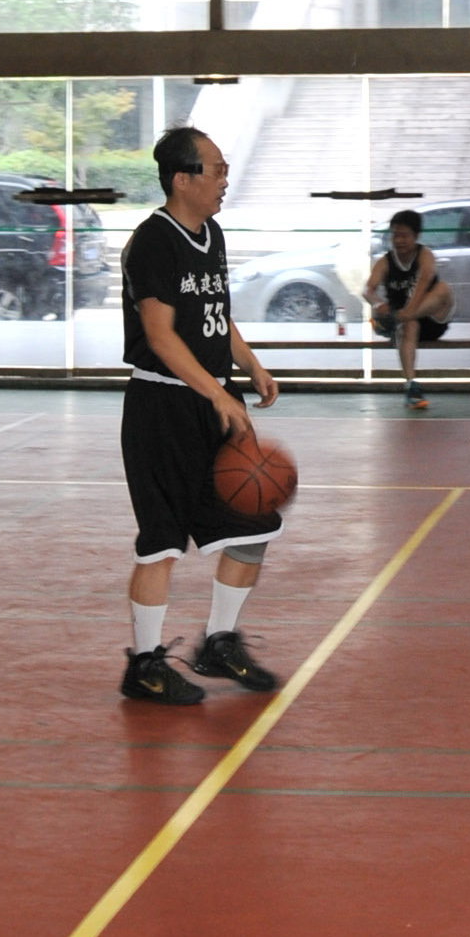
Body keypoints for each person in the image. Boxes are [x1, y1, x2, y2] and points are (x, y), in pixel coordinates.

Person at [118, 125, 283, 706]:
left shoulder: (211, 233)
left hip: (214, 400)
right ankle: (144, 665)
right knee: (161, 543)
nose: (224, 179)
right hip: (162, 408)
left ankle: (218, 642)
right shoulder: (152, 242)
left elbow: (215, 311)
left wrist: (250, 364)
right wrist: (216, 394)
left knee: (254, 523)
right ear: (182, 179)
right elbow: (161, 336)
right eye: (216, 169)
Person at [367, 208, 456, 412]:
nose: (399, 241)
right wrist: (377, 303)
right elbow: (367, 289)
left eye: (404, 236)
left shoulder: (425, 255)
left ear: (416, 236)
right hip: (405, 326)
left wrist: (407, 312)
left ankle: (398, 319)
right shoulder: (385, 262)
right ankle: (411, 387)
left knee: (443, 289)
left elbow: (424, 281)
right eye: (395, 235)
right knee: (410, 325)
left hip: (431, 319)